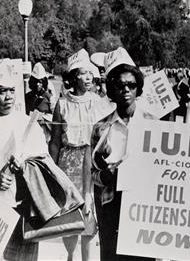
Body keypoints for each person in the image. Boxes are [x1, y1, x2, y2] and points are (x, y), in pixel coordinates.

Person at [0, 59, 83, 261]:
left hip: (24, 213)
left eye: (11, 90)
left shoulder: (28, 123)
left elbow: (45, 167)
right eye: (1, 91)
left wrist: (24, 167)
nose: (8, 97)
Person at [84, 47, 155, 261]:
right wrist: (106, 177)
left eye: (131, 85)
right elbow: (93, 172)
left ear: (138, 88)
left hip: (145, 206)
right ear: (111, 89)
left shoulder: (153, 123)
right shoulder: (100, 128)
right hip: (112, 206)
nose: (126, 90)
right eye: (120, 85)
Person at [49, 49, 114, 261]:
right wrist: (53, 170)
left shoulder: (99, 102)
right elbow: (56, 140)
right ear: (74, 75)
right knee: (69, 213)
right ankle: (71, 256)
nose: (88, 78)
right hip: (68, 163)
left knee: (90, 213)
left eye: (90, 73)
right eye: (84, 73)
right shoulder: (63, 104)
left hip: (92, 162)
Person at [25, 62, 54, 142]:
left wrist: (44, 118)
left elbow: (55, 118)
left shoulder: (49, 97)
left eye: (40, 82)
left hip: (44, 133)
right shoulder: (27, 97)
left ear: (43, 83)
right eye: (36, 82)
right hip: (29, 133)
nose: (38, 84)